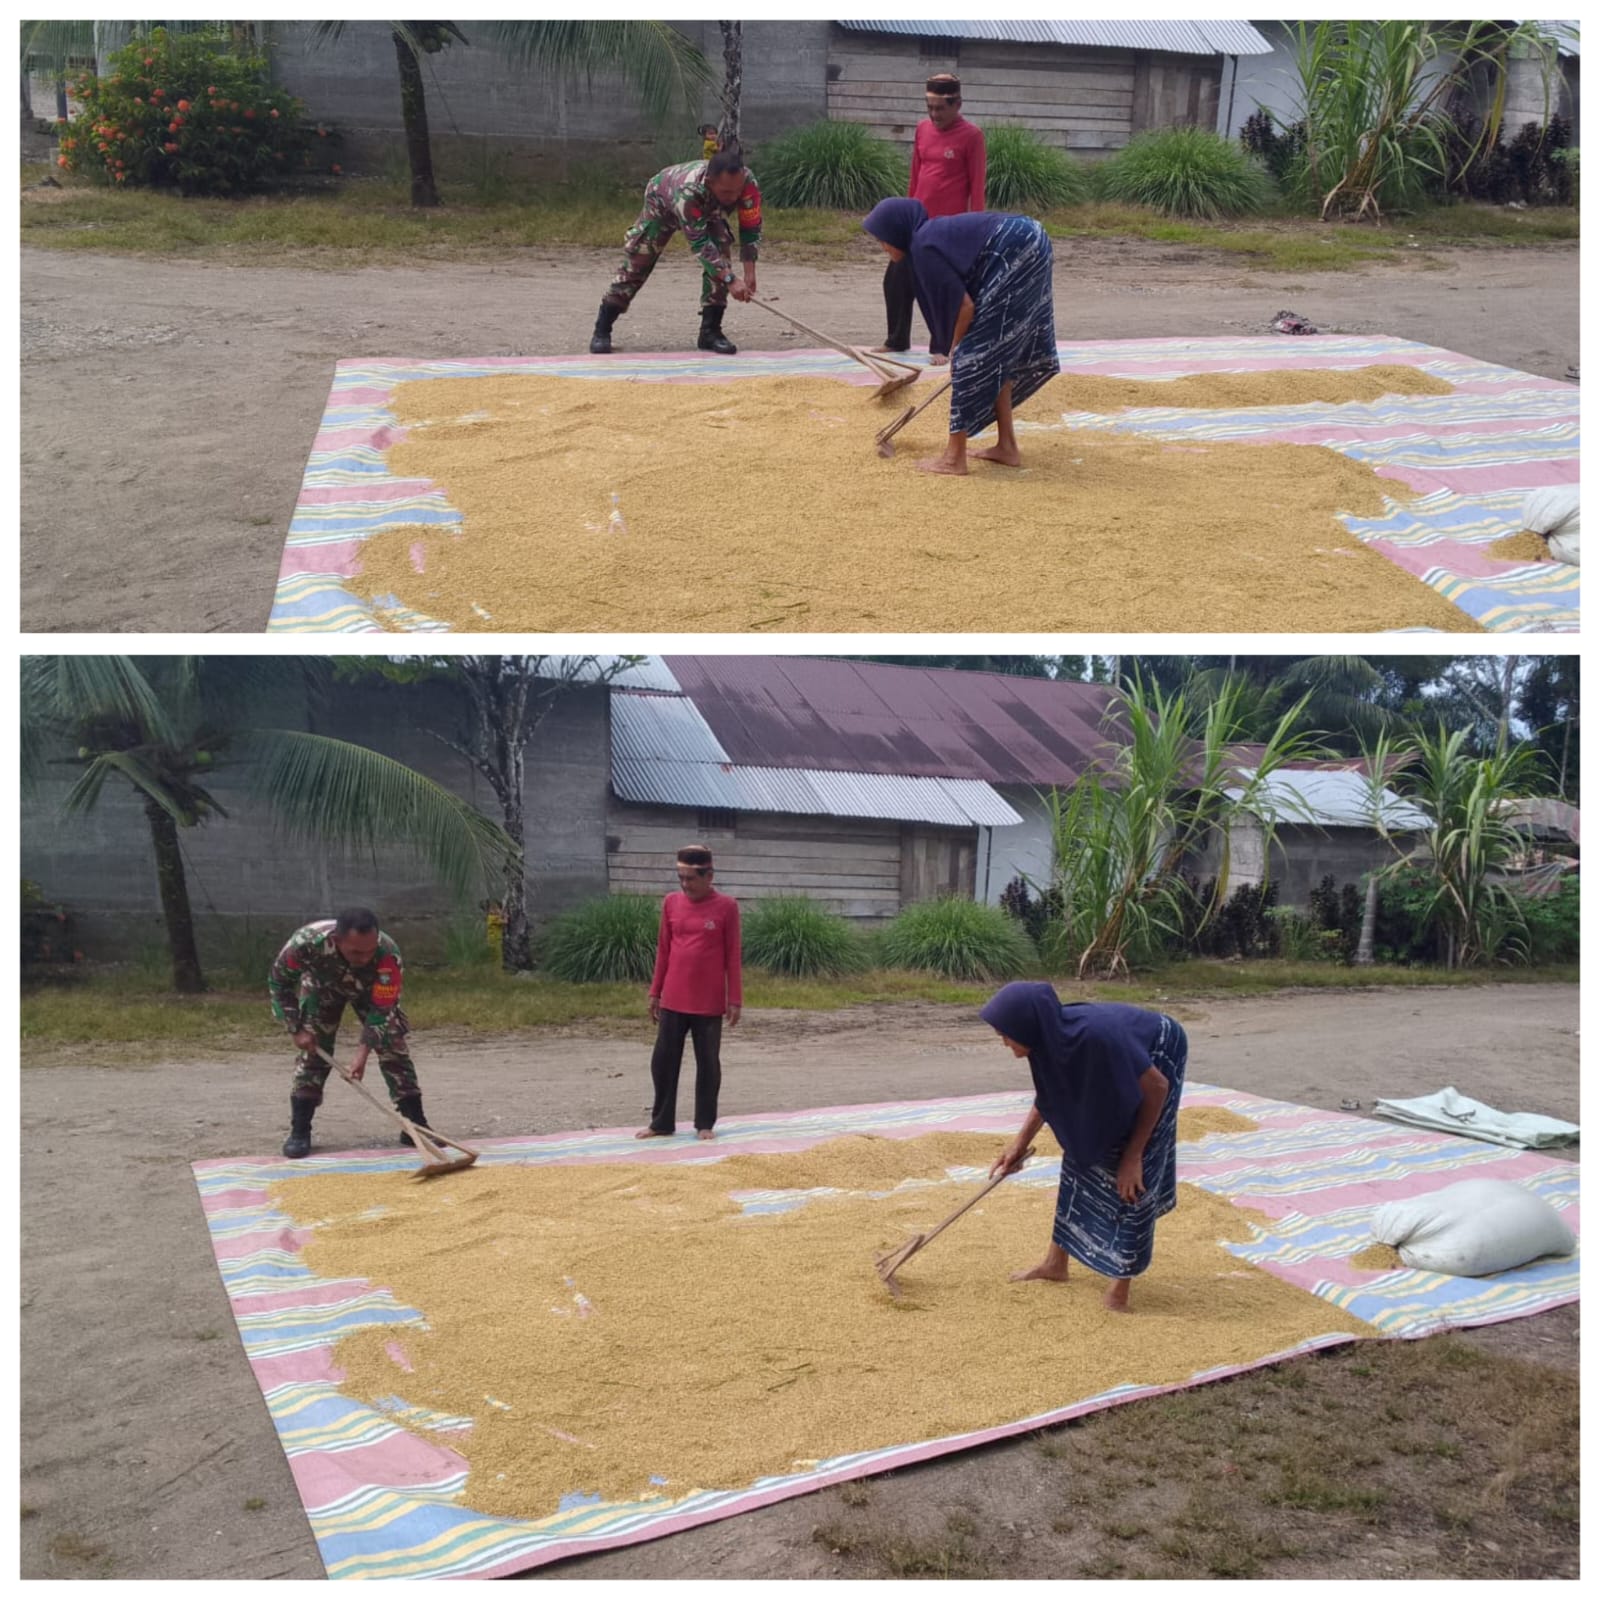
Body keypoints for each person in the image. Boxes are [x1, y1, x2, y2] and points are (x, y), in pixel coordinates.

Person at [979, 982, 1187, 1312]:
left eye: (1007, 1034)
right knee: (1080, 1145)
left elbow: (1157, 1086)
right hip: (1119, 1052)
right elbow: (1051, 1096)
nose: (1004, 1042)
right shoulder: (1047, 1042)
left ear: (1028, 1027)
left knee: (1133, 1171)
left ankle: (1119, 1289)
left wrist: (1133, 1156)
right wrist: (1018, 1145)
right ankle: (1055, 1264)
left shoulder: (1096, 1038)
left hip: (1158, 1053)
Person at [862, 197, 1060, 476]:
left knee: (972, 356)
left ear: (898, 231)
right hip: (1030, 238)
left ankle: (954, 457)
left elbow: (964, 307)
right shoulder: (929, 238)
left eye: (883, 239)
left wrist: (956, 348)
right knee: (997, 352)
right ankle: (1007, 447)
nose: (883, 247)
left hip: (1016, 246)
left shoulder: (923, 245)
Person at [269, 907, 432, 1160]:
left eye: (369, 951)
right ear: (336, 940)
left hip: (370, 990)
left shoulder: (387, 953)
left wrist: (362, 1054)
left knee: (392, 1044)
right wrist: (296, 1028)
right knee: (314, 1053)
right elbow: (279, 982)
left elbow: (382, 1008)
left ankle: (416, 1126)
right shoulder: (306, 943)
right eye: (356, 952)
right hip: (322, 987)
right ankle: (300, 1131)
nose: (365, 958)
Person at [590, 148, 763, 357]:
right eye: (727, 192)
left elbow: (750, 226)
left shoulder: (746, 182)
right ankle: (602, 328)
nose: (734, 197)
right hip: (662, 200)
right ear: (709, 181)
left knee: (721, 252)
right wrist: (730, 279)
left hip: (709, 207)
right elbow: (700, 244)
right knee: (639, 260)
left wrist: (749, 272)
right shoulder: (688, 192)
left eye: (737, 191)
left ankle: (710, 332)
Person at [874, 73, 986, 358]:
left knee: (937, 288)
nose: (934, 115)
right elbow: (915, 174)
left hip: (947, 229)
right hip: (915, 224)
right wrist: (905, 214)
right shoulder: (922, 129)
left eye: (941, 108)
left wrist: (977, 231)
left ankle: (942, 347)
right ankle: (897, 339)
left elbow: (977, 186)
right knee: (895, 280)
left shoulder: (972, 136)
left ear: (957, 104)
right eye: (930, 107)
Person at [638, 845, 742, 1142]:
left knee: (708, 1063)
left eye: (691, 879)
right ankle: (661, 1122)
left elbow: (732, 956)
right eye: (680, 878)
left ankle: (704, 1123)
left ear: (709, 876)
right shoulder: (671, 903)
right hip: (673, 996)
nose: (685, 884)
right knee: (663, 1061)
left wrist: (734, 998)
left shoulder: (727, 907)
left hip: (708, 1002)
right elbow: (663, 950)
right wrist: (655, 991)